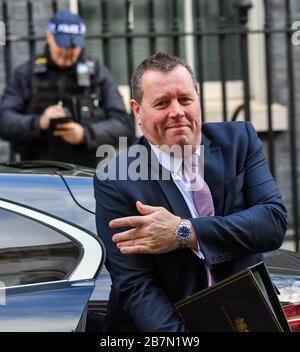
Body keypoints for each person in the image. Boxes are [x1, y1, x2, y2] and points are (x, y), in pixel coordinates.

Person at [93, 52, 287, 332]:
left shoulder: (239, 141)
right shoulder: (116, 179)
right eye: (162, 103)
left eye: (185, 99)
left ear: (197, 98)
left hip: (246, 316)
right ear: (137, 111)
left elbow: (272, 223)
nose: (177, 112)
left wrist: (185, 232)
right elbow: (136, 286)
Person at [0, 10, 132, 168]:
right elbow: (4, 121)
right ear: (49, 37)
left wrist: (85, 134)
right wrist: (39, 122)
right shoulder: (26, 73)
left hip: (84, 174)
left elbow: (123, 124)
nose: (67, 52)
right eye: (62, 45)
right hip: (35, 173)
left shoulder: (96, 73)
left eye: (73, 47)